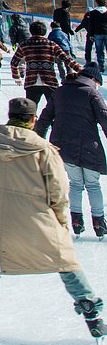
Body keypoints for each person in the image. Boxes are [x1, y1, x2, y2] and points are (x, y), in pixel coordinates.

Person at [0, 97, 106, 345]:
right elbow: (57, 191)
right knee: (64, 257)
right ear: (33, 119)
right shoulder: (43, 149)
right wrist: (61, 222)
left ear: (9, 115)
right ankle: (90, 311)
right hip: (35, 214)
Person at [37, 65, 107, 239]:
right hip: (89, 146)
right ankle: (99, 222)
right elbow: (104, 118)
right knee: (92, 184)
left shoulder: (60, 92)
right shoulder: (92, 93)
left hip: (63, 147)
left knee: (75, 183)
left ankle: (76, 221)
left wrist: (37, 139)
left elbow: (45, 117)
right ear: (94, 80)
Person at [11, 20, 80, 111]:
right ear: (44, 32)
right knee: (55, 108)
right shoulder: (51, 44)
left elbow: (14, 62)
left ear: (31, 31)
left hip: (31, 81)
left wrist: (17, 77)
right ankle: (54, 124)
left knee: (30, 110)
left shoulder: (25, 45)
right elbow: (66, 58)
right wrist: (79, 69)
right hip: (49, 80)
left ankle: (32, 123)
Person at [75, 0, 107, 71]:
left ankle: (101, 66)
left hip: (97, 33)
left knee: (99, 50)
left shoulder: (93, 12)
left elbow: (91, 25)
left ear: (97, 3)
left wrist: (91, 35)